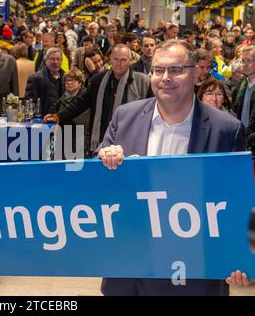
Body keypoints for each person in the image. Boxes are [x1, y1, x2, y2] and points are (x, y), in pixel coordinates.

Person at [95, 40, 246, 296]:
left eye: (176, 70)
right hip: (131, 268)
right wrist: (105, 158)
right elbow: (98, 183)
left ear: (196, 73)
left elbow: (237, 202)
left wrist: (240, 257)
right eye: (158, 70)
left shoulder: (226, 130)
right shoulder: (124, 116)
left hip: (197, 269)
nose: (165, 78)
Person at [45, 45, 151, 153]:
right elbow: (81, 102)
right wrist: (59, 116)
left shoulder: (142, 82)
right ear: (110, 59)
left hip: (131, 141)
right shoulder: (98, 80)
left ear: (130, 61)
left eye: (123, 60)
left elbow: (151, 110)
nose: (119, 63)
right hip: (102, 140)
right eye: (115, 59)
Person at [26, 47, 65, 117]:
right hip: (43, 121)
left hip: (62, 120)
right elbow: (31, 103)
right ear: (46, 60)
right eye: (52, 59)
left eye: (58, 59)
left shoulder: (66, 78)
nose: (56, 62)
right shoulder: (35, 78)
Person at [233, 45, 255, 128]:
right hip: (240, 134)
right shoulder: (240, 85)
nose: (245, 65)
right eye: (243, 61)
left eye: (248, 61)